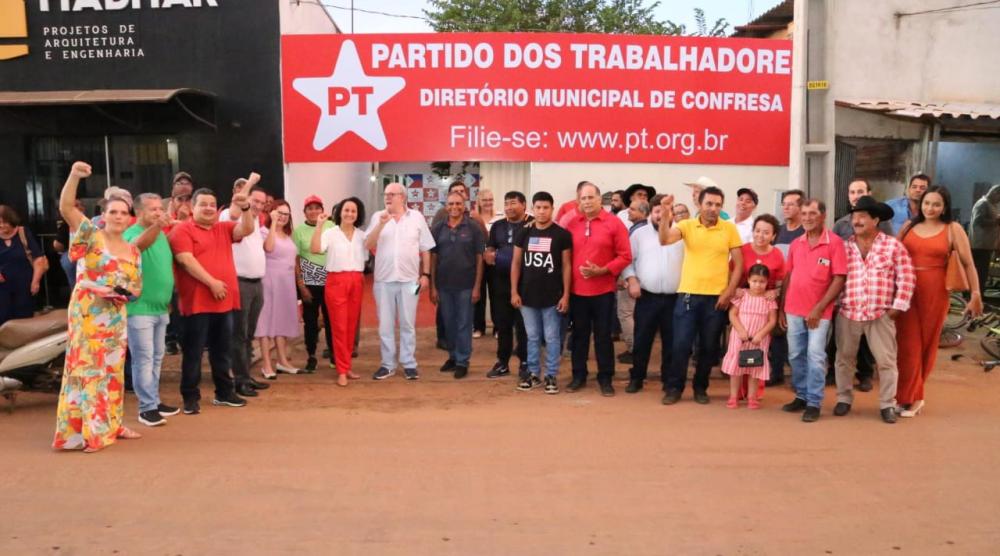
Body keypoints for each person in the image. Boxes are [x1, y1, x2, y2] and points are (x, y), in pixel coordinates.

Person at [52, 162, 143, 452]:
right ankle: (90, 432)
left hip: (115, 316)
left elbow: (137, 287)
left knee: (112, 371)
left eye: (123, 213)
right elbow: (66, 208)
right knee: (88, 370)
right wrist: (74, 176)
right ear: (103, 216)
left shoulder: (133, 250)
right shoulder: (92, 234)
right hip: (88, 313)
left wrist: (125, 294)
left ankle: (113, 424)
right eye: (113, 211)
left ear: (130, 218)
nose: (118, 216)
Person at [169, 178, 258, 415]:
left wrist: (246, 207)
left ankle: (224, 393)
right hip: (196, 303)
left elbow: (246, 229)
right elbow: (185, 260)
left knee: (222, 351)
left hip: (223, 302)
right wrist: (212, 283)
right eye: (203, 204)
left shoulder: (223, 228)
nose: (208, 208)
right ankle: (190, 397)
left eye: (212, 204)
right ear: (192, 207)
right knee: (193, 352)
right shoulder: (182, 230)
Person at [896, 186, 983, 417]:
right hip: (906, 291)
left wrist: (975, 294)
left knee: (927, 344)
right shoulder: (908, 226)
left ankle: (913, 398)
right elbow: (891, 254)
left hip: (935, 291)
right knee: (907, 345)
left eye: (936, 204)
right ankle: (907, 395)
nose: (930, 208)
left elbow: (969, 264)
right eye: (927, 203)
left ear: (944, 207)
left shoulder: (953, 229)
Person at [834, 196, 915, 424]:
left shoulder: (893, 246)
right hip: (848, 312)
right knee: (844, 359)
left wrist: (898, 307)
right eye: (854, 216)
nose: (856, 221)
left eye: (862, 217)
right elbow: (834, 277)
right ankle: (843, 398)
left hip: (881, 314)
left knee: (886, 361)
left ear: (876, 220)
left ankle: (887, 404)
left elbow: (907, 277)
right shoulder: (844, 246)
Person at [658, 186, 743, 405]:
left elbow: (739, 264)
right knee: (681, 345)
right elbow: (664, 240)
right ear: (700, 204)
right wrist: (666, 213)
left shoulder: (729, 229)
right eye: (709, 204)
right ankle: (674, 388)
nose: (713, 208)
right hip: (688, 296)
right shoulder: (686, 225)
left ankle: (700, 388)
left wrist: (729, 291)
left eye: (717, 204)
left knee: (708, 347)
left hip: (716, 300)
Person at [779, 200, 847, 422]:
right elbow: (788, 276)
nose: (807, 218)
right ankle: (801, 394)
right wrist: (781, 308)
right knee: (795, 354)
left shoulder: (835, 243)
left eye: (812, 213)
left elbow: (839, 278)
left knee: (816, 356)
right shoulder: (796, 243)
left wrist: (818, 308)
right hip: (793, 309)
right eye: (804, 213)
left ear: (823, 216)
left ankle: (814, 402)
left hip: (820, 313)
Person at [563, 182, 632, 396]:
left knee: (603, 336)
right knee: (579, 336)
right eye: (583, 198)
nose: (587, 202)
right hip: (576, 291)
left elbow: (625, 256)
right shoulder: (571, 223)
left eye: (590, 197)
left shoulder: (614, 223)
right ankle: (578, 375)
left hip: (603, 291)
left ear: (600, 199)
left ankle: (605, 378)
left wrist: (603, 270)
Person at [365, 183, 435, 381]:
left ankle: (409, 364)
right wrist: (381, 224)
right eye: (386, 194)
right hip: (383, 281)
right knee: (385, 326)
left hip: (410, 281)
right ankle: (387, 364)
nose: (387, 197)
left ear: (403, 197)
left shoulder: (417, 218)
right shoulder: (378, 217)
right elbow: (368, 244)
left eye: (392, 194)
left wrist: (426, 274)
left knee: (408, 324)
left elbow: (426, 248)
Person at [831, 178, 895, 392]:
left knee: (870, 342)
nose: (856, 195)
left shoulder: (883, 224)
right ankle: (840, 384)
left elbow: (893, 257)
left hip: (875, 294)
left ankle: (866, 374)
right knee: (843, 344)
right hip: (848, 291)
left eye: (860, 191)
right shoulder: (841, 224)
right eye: (852, 192)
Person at [124, 193, 179, 427]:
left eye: (160, 209)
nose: (158, 213)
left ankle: (154, 401)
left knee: (156, 358)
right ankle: (146, 408)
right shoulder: (131, 233)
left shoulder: (161, 234)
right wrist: (158, 226)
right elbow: (137, 248)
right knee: (143, 360)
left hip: (159, 308)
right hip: (139, 309)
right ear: (138, 212)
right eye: (153, 209)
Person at [510, 192, 572, 394]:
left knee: (552, 337)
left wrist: (566, 295)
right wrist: (514, 291)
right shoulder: (523, 233)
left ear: (552, 209)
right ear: (532, 209)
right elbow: (516, 263)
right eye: (538, 207)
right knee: (532, 337)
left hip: (552, 297)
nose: (542, 211)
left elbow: (566, 266)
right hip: (527, 296)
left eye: (546, 208)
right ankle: (533, 373)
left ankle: (551, 375)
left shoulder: (562, 235)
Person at [622, 194, 684, 393]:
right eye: (657, 211)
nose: (661, 215)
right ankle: (637, 378)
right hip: (647, 297)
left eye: (666, 211)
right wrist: (632, 280)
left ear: (672, 213)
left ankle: (668, 380)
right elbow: (628, 261)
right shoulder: (639, 235)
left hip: (675, 298)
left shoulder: (682, 234)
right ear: (650, 213)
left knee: (672, 341)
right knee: (642, 339)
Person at [220, 182, 275, 396]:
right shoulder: (230, 215)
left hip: (256, 284)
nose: (259, 206)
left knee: (248, 334)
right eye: (255, 201)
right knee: (239, 334)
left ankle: (245, 375)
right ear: (245, 199)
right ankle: (239, 380)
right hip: (239, 283)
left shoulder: (256, 221)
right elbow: (235, 210)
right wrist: (250, 182)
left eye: (263, 202)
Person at [311, 198, 369, 386]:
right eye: (346, 210)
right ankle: (341, 370)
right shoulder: (331, 233)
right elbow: (315, 249)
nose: (349, 214)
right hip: (336, 281)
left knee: (351, 326)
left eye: (353, 211)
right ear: (340, 212)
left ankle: (347, 365)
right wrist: (319, 226)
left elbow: (370, 250)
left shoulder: (362, 235)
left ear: (358, 214)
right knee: (339, 326)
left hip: (357, 280)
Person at [430, 192, 485, 379]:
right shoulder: (438, 228)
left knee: (464, 324)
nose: (455, 207)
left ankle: (462, 361)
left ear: (464, 206)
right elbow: (433, 257)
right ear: (446, 206)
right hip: (444, 285)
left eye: (458, 204)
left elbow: (479, 258)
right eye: (451, 203)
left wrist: (477, 286)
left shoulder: (473, 227)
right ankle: (453, 357)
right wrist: (433, 286)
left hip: (466, 285)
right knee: (449, 323)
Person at [735, 214, 785, 399]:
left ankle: (755, 391)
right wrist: (735, 289)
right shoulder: (743, 250)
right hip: (743, 304)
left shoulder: (777, 254)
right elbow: (732, 273)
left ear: (773, 235)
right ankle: (738, 390)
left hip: (764, 307)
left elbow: (782, 282)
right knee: (739, 346)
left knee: (759, 347)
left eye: (766, 232)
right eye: (757, 231)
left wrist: (776, 292)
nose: (760, 236)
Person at [485, 191, 532, 379]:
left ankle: (525, 363)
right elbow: (490, 247)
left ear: (524, 205)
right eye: (506, 204)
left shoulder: (532, 224)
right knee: (502, 324)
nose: (509, 207)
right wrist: (489, 254)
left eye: (513, 203)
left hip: (526, 282)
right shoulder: (497, 226)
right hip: (500, 282)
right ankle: (502, 362)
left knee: (524, 325)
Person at [255, 201, 302, 380]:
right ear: (272, 213)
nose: (283, 217)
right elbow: (268, 248)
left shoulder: (288, 235)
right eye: (279, 213)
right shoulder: (264, 231)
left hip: (286, 284)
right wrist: (273, 223)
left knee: (282, 320)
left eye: (286, 214)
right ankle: (266, 364)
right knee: (265, 322)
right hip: (269, 282)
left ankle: (282, 361)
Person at [722, 264, 778, 409]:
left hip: (759, 340)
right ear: (748, 280)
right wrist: (740, 330)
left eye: (762, 282)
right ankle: (733, 396)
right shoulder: (742, 295)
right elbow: (732, 314)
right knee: (736, 368)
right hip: (739, 337)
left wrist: (761, 334)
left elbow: (772, 320)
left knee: (755, 368)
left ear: (767, 282)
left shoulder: (769, 299)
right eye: (754, 281)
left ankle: (752, 397)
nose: (758, 285)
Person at [292, 195, 334, 372]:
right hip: (309, 283)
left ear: (322, 210)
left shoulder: (331, 227)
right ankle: (311, 356)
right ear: (304, 212)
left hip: (330, 281)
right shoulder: (298, 231)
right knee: (310, 321)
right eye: (310, 208)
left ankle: (334, 354)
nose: (314, 211)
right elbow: (296, 259)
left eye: (317, 208)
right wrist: (301, 285)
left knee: (331, 320)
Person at [615, 199, 649, 365]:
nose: (628, 211)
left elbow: (630, 257)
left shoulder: (639, 231)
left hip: (633, 278)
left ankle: (633, 349)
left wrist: (626, 278)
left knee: (626, 313)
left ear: (643, 213)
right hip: (638, 278)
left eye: (633, 209)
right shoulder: (642, 229)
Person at [0, 205, 46, 327]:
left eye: (4, 222)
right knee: (3, 319)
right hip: (2, 287)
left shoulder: (23, 232)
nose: (1, 226)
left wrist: (36, 281)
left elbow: (38, 258)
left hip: (24, 285)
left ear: (11, 220)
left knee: (24, 320)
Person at [473, 187, 498, 338]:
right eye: (485, 200)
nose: (488, 202)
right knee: (478, 294)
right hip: (478, 261)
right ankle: (478, 327)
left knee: (496, 295)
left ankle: (498, 328)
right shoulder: (472, 217)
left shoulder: (500, 216)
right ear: (479, 202)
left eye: (490, 199)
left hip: (496, 262)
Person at [968, 184, 1000, 298]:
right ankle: (974, 295)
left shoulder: (991, 204)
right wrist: (996, 221)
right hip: (979, 245)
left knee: (983, 273)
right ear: (995, 193)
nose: (999, 201)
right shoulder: (982, 204)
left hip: (986, 245)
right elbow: (978, 221)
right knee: (979, 272)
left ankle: (979, 294)